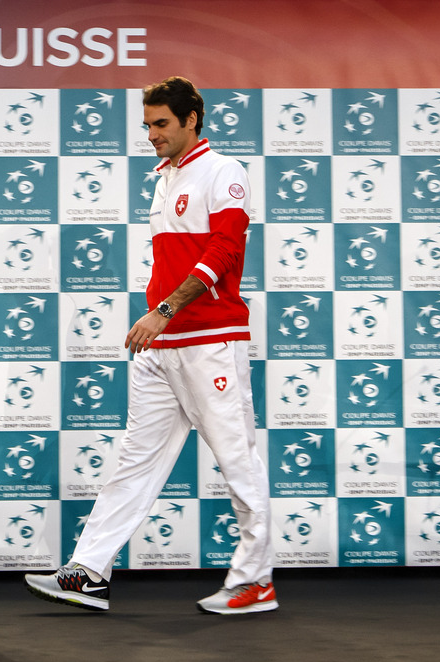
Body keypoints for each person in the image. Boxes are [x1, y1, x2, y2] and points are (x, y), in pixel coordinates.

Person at [25, 76, 276, 615]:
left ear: (191, 119)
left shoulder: (223, 171)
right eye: (147, 125)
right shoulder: (164, 178)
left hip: (208, 341)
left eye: (161, 124)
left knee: (238, 462)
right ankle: (88, 572)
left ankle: (255, 581)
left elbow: (227, 250)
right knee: (134, 461)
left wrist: (164, 310)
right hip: (162, 349)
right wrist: (162, 319)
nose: (152, 134)